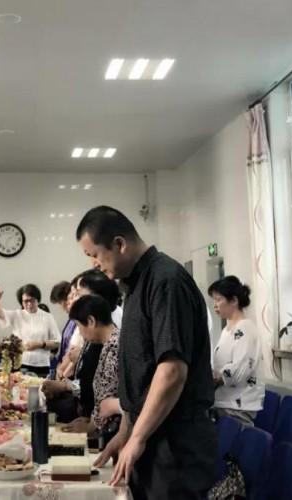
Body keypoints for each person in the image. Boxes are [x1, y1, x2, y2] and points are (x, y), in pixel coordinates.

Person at [78, 206, 216, 499]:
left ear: (119, 244)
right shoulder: (134, 286)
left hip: (175, 442)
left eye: (94, 254)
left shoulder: (166, 280)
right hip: (150, 434)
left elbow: (171, 371)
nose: (94, 264)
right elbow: (140, 373)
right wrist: (126, 432)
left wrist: (137, 436)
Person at [207, 276, 263, 426]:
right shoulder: (227, 330)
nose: (215, 305)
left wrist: (214, 377)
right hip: (224, 404)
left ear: (234, 301)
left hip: (237, 408)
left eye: (219, 300)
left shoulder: (245, 328)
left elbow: (238, 371)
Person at [67, 295, 121, 440]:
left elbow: (108, 393)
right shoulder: (106, 344)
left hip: (113, 430)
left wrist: (91, 426)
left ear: (91, 321)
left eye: (79, 326)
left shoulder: (114, 346)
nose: (80, 332)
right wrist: (91, 419)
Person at [0, 283, 60, 377]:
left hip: (41, 364)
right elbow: (0, 314)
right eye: (25, 301)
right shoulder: (17, 315)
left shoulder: (48, 317)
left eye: (31, 300)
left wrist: (40, 344)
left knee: (40, 390)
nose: (29, 304)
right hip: (20, 364)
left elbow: (57, 342)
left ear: (37, 300)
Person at [50, 281, 78, 368]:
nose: (60, 307)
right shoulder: (71, 319)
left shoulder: (78, 319)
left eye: (59, 303)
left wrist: (62, 368)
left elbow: (74, 348)